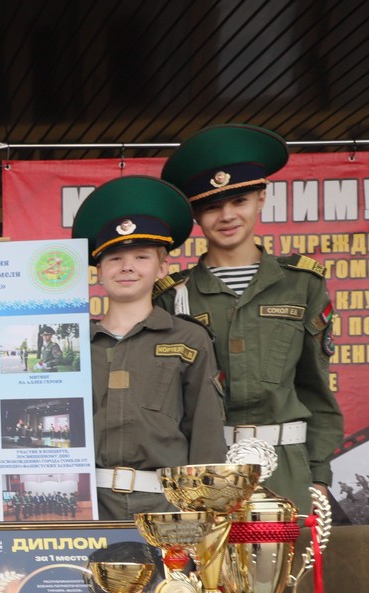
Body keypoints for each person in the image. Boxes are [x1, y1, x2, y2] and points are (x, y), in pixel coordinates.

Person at [158, 124, 343, 512]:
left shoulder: (302, 284)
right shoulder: (172, 296)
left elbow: (316, 389)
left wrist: (318, 476)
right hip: (204, 469)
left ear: (261, 198)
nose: (227, 216)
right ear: (195, 214)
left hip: (288, 469)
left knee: (287, 556)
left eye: (239, 200)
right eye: (212, 206)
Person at [72, 176, 227, 520]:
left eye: (141, 257)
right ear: (98, 271)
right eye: (114, 258)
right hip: (89, 507)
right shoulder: (75, 343)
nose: (127, 267)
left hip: (166, 506)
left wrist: (204, 513)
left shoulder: (188, 339)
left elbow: (205, 433)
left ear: (162, 267)